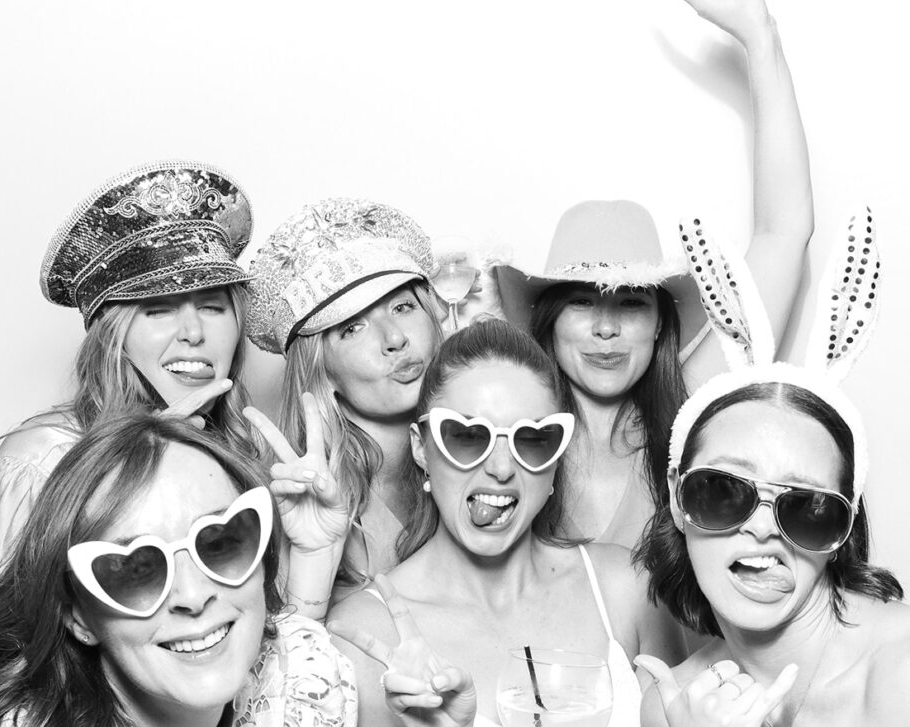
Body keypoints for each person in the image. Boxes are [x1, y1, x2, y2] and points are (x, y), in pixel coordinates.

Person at [491, 0, 813, 548]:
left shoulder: (691, 417)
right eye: (583, 302)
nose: (606, 330)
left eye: (632, 304)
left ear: (662, 324)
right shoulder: (502, 442)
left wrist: (761, 38)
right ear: (547, 320)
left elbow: (785, 234)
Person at [330, 319, 685, 726]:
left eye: (533, 440)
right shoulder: (363, 637)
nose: (500, 468)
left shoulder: (628, 589)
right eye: (467, 436)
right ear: (421, 449)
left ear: (557, 460)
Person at [0, 413, 357, 727]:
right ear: (78, 617)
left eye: (220, 543)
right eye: (135, 570)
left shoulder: (294, 677)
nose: (193, 595)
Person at [634, 211, 910, 725]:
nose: (762, 528)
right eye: (722, 490)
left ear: (843, 528)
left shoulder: (901, 673)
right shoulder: (675, 705)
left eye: (807, 507)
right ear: (676, 495)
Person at [0, 160, 259, 597]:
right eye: (158, 309)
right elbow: (8, 651)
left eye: (212, 307)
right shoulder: (41, 461)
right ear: (112, 339)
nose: (194, 333)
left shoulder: (249, 449)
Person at [246, 197, 443, 597]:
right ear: (321, 372)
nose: (395, 339)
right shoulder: (301, 505)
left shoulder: (486, 457)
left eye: (403, 307)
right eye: (352, 328)